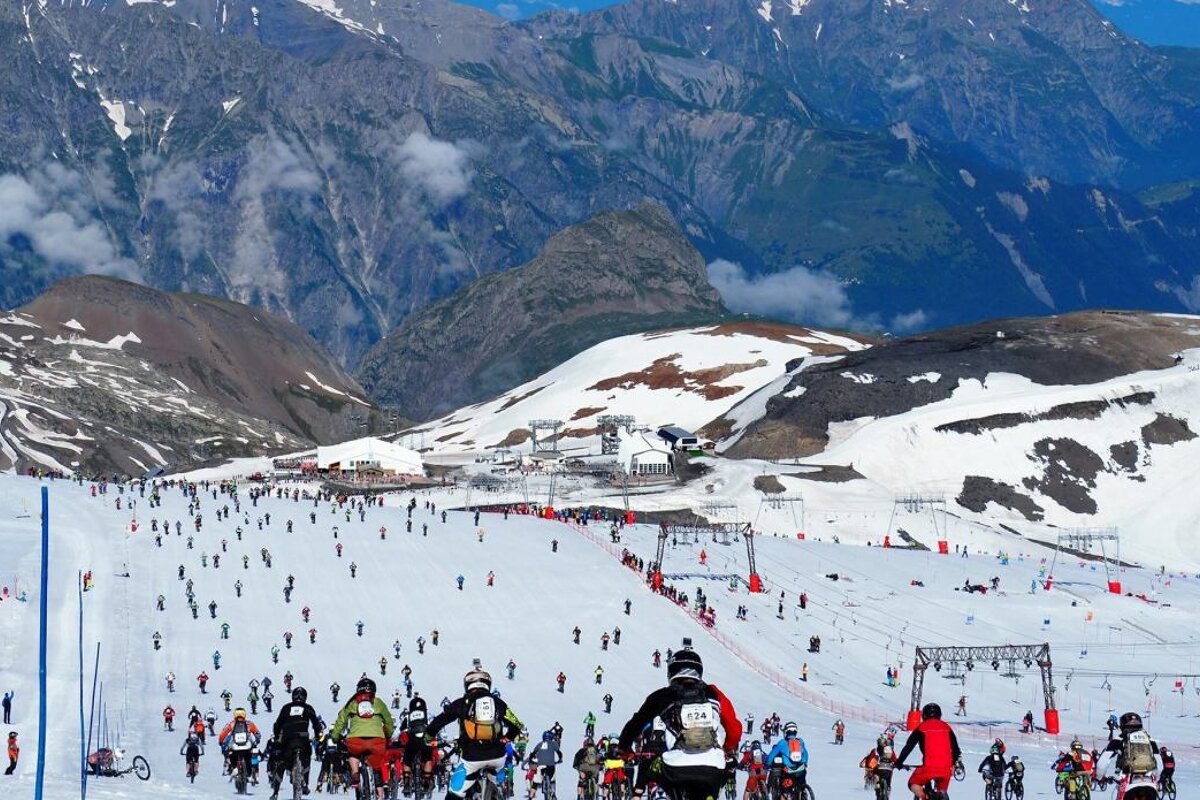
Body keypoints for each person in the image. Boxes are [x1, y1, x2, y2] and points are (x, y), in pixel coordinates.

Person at [617, 643, 742, 800]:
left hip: (675, 767)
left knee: (649, 766)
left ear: (671, 672)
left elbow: (636, 724)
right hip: (713, 766)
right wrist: (727, 748)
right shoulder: (714, 693)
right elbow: (735, 729)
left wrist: (625, 748)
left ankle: (649, 793)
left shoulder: (661, 696)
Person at [425, 667, 522, 800]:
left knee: (454, 792)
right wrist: (506, 738)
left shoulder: (462, 703)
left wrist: (428, 737)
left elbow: (439, 721)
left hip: (471, 758)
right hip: (498, 756)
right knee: (500, 779)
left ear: (467, 685)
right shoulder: (498, 703)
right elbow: (516, 725)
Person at [327, 677, 394, 795]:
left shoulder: (352, 703)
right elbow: (389, 721)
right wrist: (387, 735)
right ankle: (380, 792)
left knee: (353, 754)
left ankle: (355, 773)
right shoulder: (378, 702)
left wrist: (335, 736)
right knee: (376, 766)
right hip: (377, 741)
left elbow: (341, 721)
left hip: (355, 740)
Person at [894, 703, 961, 800]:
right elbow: (956, 749)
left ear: (924, 715)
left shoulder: (921, 727)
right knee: (941, 792)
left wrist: (899, 762)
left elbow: (908, 747)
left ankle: (924, 797)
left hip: (928, 768)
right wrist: (954, 763)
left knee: (912, 783)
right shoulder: (947, 727)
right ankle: (941, 793)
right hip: (946, 770)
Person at [269, 686, 323, 799]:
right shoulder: (308, 708)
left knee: (281, 763)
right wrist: (318, 736)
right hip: (303, 739)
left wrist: (277, 735)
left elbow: (277, 725)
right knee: (307, 758)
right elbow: (316, 724)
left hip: (288, 740)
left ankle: (275, 792)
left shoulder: (286, 708)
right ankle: (305, 783)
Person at [1095, 712, 1159, 800]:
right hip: (1150, 784)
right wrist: (1157, 777)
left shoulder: (1119, 739)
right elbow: (1159, 763)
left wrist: (1100, 777)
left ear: (1122, 726)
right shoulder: (1149, 739)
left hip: (1129, 784)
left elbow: (1102, 763)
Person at [401, 694, 436, 793]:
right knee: (428, 758)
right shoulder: (428, 715)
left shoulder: (407, 717)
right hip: (426, 741)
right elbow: (436, 727)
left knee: (407, 760)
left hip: (412, 742)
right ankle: (426, 780)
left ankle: (407, 781)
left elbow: (399, 732)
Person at [766, 722, 808, 798]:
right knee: (800, 785)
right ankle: (803, 792)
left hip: (788, 772)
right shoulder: (800, 741)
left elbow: (772, 755)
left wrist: (767, 763)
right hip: (801, 770)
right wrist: (804, 762)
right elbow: (805, 754)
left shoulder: (782, 743)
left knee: (784, 791)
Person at [219, 708, 262, 781]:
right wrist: (257, 740)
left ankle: (233, 767)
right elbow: (257, 733)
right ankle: (254, 774)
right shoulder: (250, 723)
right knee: (252, 755)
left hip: (235, 745)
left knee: (229, 753)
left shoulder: (231, 724)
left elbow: (223, 734)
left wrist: (221, 741)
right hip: (247, 745)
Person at [525, 731, 564, 798]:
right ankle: (553, 793)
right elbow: (559, 753)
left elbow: (533, 753)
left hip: (540, 765)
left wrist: (531, 760)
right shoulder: (553, 743)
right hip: (551, 765)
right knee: (553, 779)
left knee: (535, 783)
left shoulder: (539, 744)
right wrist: (560, 759)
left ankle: (530, 797)